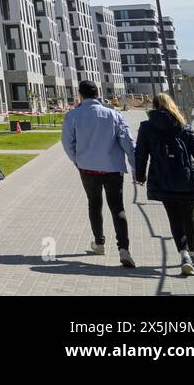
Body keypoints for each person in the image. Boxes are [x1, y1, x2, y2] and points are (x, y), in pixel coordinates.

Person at [134, 93, 194, 276]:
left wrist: (141, 176)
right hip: (186, 179)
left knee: (174, 218)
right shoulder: (183, 126)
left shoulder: (146, 127)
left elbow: (141, 154)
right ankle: (193, 254)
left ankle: (183, 255)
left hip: (162, 179)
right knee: (188, 218)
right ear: (171, 105)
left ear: (154, 106)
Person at [61, 79, 136, 267]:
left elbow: (67, 143)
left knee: (94, 204)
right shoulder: (113, 115)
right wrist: (135, 167)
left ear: (80, 95)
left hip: (87, 168)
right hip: (112, 167)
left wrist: (77, 160)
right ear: (98, 93)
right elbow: (127, 141)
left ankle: (99, 242)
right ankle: (124, 248)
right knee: (117, 207)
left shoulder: (73, 116)